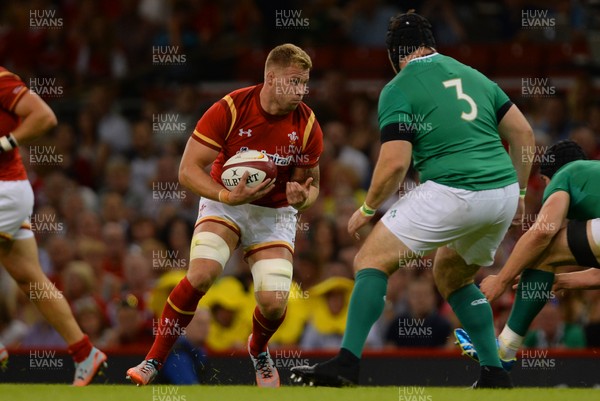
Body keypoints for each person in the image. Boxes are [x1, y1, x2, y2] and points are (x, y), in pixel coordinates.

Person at [290, 11, 534, 388]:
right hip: (500, 194)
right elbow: (522, 133)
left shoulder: (400, 86)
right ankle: (493, 373)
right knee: (451, 273)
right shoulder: (472, 74)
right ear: (430, 44)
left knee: (370, 259)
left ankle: (347, 364)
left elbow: (395, 162)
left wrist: (367, 208)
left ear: (394, 54)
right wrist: (518, 192)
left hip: (455, 190)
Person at [126, 43, 323, 388]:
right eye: (294, 81)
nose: (301, 90)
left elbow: (313, 186)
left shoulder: (306, 124)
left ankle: (258, 350)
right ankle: (153, 359)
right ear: (271, 78)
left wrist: (303, 198)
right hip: (225, 201)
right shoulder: (231, 108)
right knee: (201, 274)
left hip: (274, 213)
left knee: (274, 304)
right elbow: (187, 170)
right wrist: (226, 195)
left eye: (304, 82)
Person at [0, 67, 107, 385]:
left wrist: (4, 143)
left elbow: (44, 117)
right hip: (12, 190)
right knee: (29, 277)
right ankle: (84, 352)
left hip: (4, 189)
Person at [455, 140, 599, 369]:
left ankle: (505, 348)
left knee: (542, 250)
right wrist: (559, 280)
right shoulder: (593, 184)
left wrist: (501, 280)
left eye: (544, 181)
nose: (546, 188)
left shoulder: (567, 173)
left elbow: (542, 232)